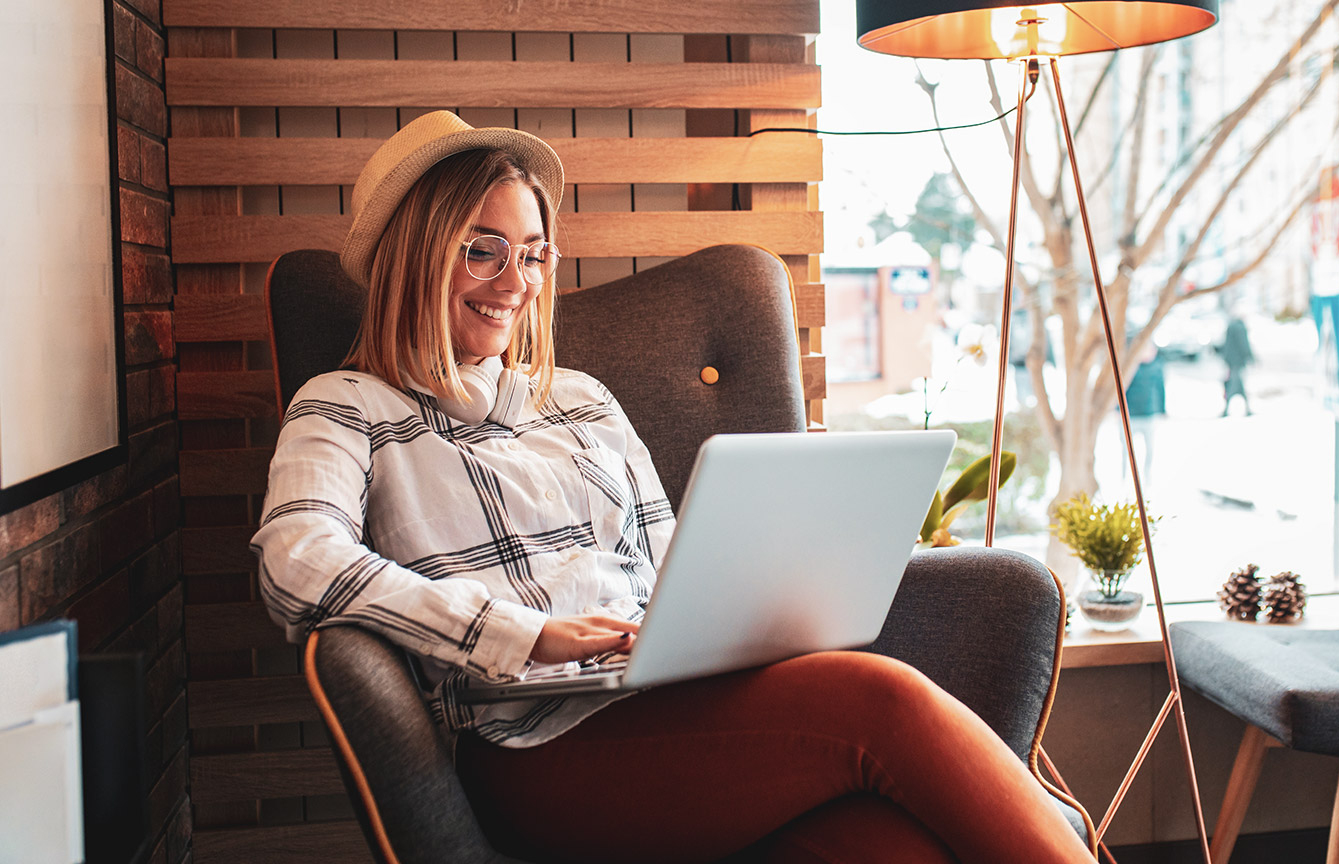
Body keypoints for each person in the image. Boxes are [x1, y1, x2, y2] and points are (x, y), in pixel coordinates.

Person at [252, 111, 1095, 864]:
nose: (517, 283)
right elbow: (297, 559)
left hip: (677, 711)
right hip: (534, 751)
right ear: (412, 251)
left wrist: (729, 624)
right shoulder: (345, 407)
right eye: (483, 250)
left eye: (535, 254)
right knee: (883, 698)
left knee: (893, 845)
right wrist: (523, 635)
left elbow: (667, 564)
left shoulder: (581, 399)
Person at [1219, 315, 1254, 417]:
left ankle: (1246, 409)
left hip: (1231, 362)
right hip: (1238, 363)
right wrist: (1250, 356)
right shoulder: (1240, 328)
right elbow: (1244, 344)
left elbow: (1226, 345)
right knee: (1234, 386)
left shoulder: (1230, 327)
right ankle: (1227, 409)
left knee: (1237, 386)